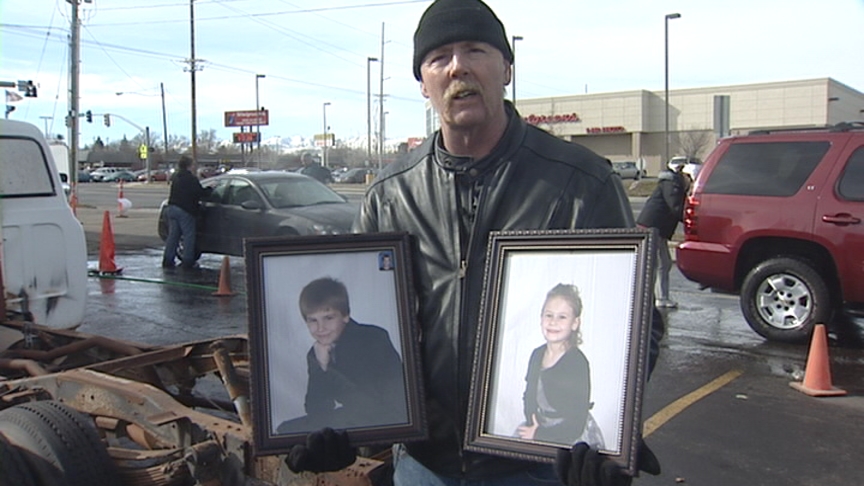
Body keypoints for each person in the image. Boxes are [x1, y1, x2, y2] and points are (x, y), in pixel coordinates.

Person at [287, 1, 663, 484]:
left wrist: (608, 432)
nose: (458, 66)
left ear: (506, 68)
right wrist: (350, 425)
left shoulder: (579, 183)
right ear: (424, 83)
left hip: (536, 464)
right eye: (439, 57)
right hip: (425, 464)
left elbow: (632, 323)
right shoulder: (390, 194)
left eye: (475, 50)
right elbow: (368, 326)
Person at [277, 277, 407, 434]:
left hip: (391, 416)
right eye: (313, 320)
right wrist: (321, 367)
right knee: (286, 429)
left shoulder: (371, 337)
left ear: (345, 316)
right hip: (356, 414)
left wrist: (327, 371)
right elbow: (316, 410)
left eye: (328, 318)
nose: (321, 328)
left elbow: (366, 402)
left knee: (293, 432)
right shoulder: (317, 352)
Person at [517, 284, 594, 447]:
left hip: (567, 435)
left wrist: (540, 435)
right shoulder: (537, 355)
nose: (553, 322)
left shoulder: (577, 364)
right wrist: (532, 422)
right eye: (549, 315)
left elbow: (575, 422)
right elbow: (529, 395)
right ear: (541, 318)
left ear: (575, 323)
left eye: (562, 317)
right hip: (538, 426)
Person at [636, 162, 689, 308]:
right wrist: (690, 219)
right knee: (660, 263)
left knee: (662, 263)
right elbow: (675, 207)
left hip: (655, 228)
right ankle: (658, 298)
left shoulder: (672, 184)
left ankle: (656, 297)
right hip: (653, 227)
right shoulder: (671, 185)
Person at [162, 155, 209, 269]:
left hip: (172, 208)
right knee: (188, 236)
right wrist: (210, 190)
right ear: (189, 165)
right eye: (193, 165)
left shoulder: (176, 176)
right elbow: (198, 192)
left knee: (173, 236)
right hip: (185, 210)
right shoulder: (190, 178)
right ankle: (188, 261)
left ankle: (168, 260)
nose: (194, 167)